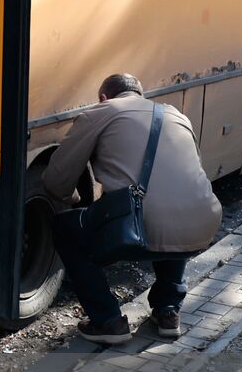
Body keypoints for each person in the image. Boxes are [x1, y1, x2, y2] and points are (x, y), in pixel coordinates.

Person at [43, 74, 222, 344]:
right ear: (141, 94)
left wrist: (74, 198)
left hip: (146, 224)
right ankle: (168, 310)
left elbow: (56, 181)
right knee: (170, 211)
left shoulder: (102, 111)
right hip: (204, 221)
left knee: (65, 228)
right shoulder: (176, 115)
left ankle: (108, 321)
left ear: (103, 97)